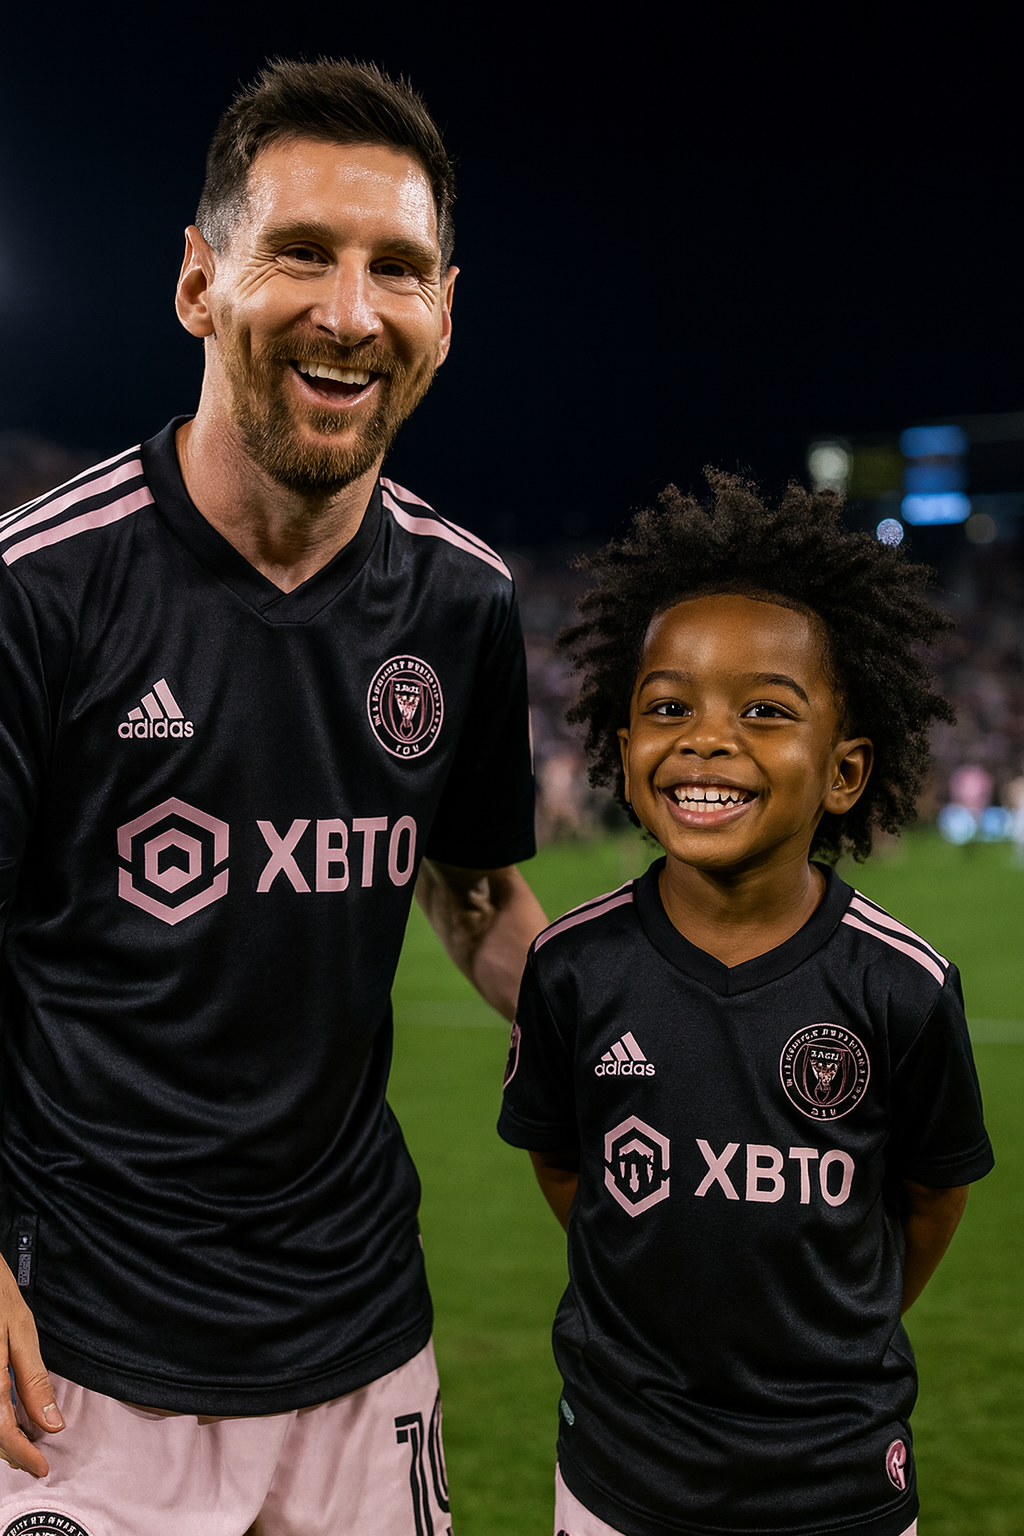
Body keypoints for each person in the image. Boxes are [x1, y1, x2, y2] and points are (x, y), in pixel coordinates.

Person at [0, 58, 546, 1535]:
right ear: (198, 283)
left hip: (362, 1345)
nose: (351, 312)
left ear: (445, 310)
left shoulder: (467, 601)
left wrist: (670, 1034)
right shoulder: (37, 592)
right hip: (80, 1370)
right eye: (300, 251)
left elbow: (480, 894)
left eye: (399, 270)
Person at [499, 474, 994, 1536]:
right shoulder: (571, 968)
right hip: (620, 1473)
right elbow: (562, 1164)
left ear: (846, 771)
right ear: (621, 750)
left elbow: (930, 1200)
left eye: (764, 711)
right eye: (667, 707)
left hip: (837, 1477)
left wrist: (833, 1325)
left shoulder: (900, 984)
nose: (706, 739)